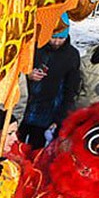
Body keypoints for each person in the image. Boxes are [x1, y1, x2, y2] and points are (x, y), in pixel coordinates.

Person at [16, 18, 80, 148]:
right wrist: (28, 74)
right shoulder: (34, 47)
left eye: (61, 38)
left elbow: (71, 88)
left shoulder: (71, 55)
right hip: (24, 107)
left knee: (36, 147)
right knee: (15, 144)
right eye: (53, 37)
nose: (56, 42)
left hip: (47, 111)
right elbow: (17, 68)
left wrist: (60, 117)